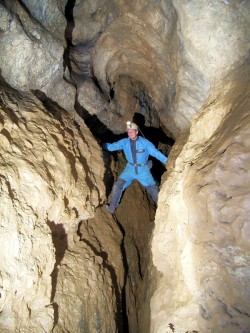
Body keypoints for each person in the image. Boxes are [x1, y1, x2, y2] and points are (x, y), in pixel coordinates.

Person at [103, 122, 168, 213]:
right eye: (129, 132)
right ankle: (112, 207)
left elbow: (156, 153)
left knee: (153, 190)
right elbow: (112, 147)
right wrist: (102, 144)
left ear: (137, 132)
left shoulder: (145, 143)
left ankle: (164, 209)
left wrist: (167, 161)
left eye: (132, 131)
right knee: (118, 186)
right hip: (129, 169)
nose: (130, 133)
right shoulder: (124, 142)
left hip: (143, 169)